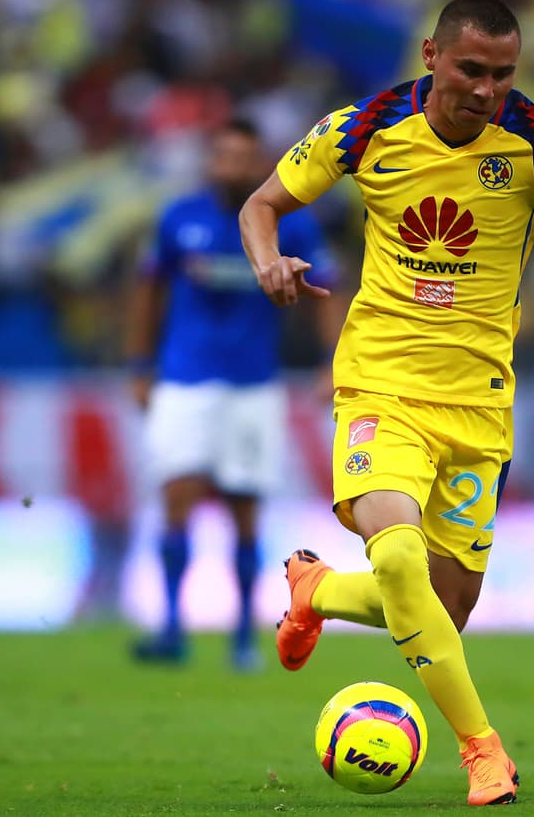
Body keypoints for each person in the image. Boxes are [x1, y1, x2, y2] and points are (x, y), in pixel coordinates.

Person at [237, 0, 534, 806]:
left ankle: (320, 590)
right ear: (431, 56)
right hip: (381, 384)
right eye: (472, 69)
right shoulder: (365, 126)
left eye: (503, 73)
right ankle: (483, 750)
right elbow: (261, 205)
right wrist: (268, 260)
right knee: (399, 558)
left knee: (440, 607)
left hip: (480, 407)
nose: (487, 89)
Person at [127, 118, 342, 671]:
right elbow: (148, 290)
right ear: (209, 160)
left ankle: (244, 634)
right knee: (177, 495)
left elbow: (325, 290)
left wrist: (331, 363)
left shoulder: (289, 223)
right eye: (224, 156)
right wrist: (139, 365)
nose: (233, 167)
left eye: (244, 157)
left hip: (253, 384)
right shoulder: (179, 218)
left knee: (244, 508)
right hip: (184, 379)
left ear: (260, 163)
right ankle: (171, 626)